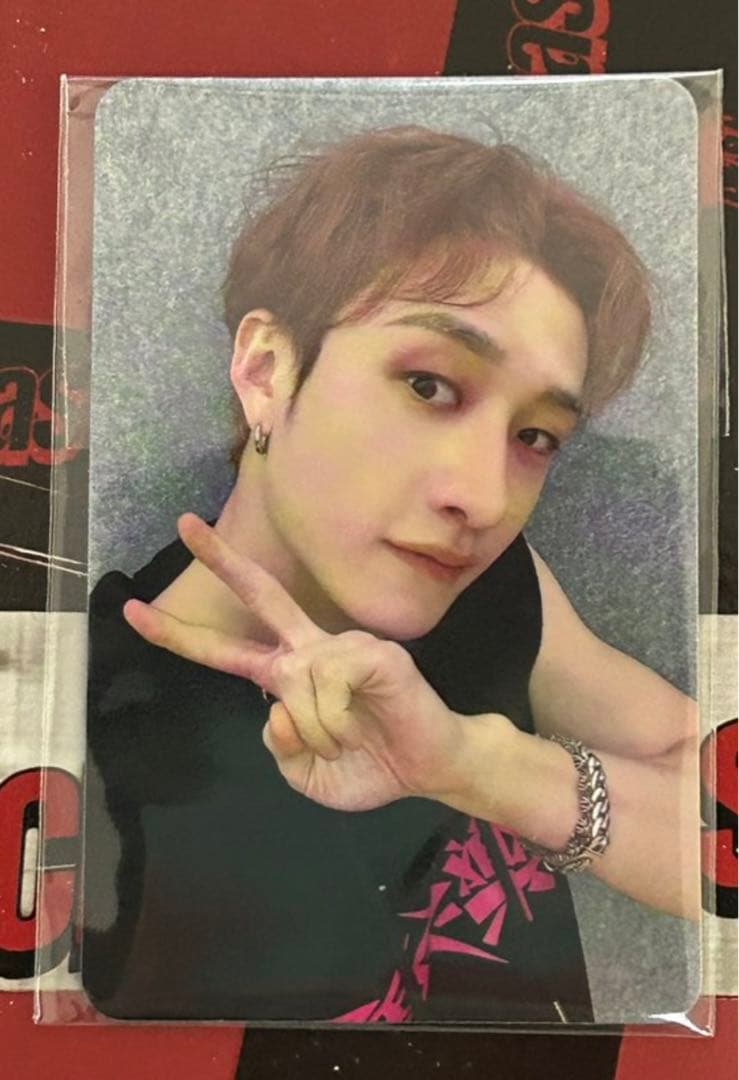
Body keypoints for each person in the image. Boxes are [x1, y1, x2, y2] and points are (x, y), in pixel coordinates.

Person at [83, 126, 699, 1025]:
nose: (482, 498)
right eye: (429, 386)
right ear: (266, 370)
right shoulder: (87, 708)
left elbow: (713, 814)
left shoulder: (491, 590)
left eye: (535, 436)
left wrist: (474, 765)